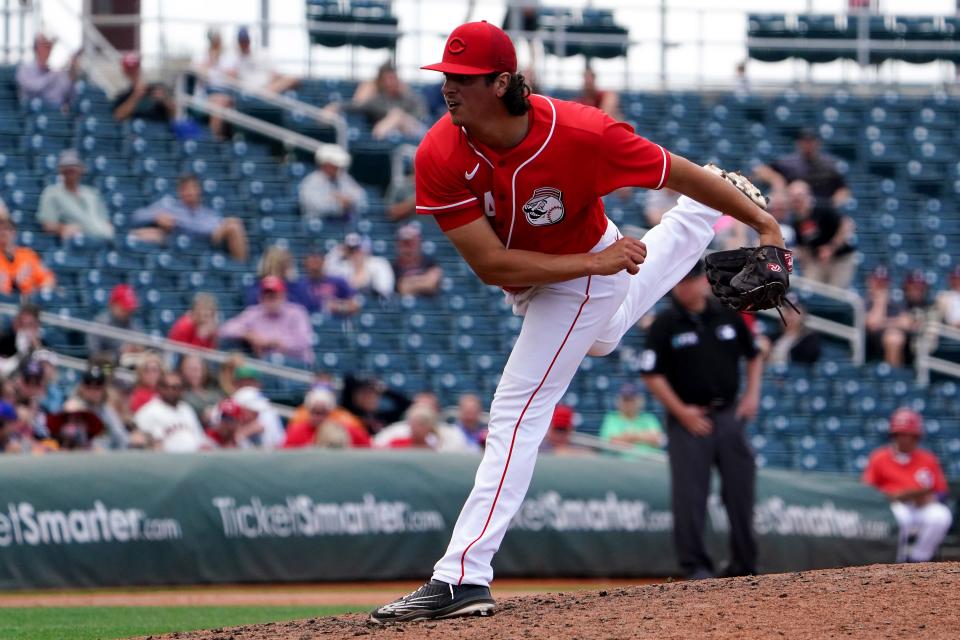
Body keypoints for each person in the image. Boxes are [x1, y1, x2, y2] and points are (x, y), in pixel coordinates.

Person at [370, 21, 782, 623]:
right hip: (571, 265)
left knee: (516, 411)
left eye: (462, 78)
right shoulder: (438, 150)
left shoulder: (583, 131)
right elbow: (488, 264)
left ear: (502, 81)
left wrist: (764, 226)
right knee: (607, 334)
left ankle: (462, 574)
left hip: (582, 277)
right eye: (445, 77)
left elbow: (676, 169)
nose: (448, 88)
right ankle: (693, 221)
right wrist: (598, 260)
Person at [640, 262, 762, 581]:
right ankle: (695, 565)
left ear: (703, 282)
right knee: (690, 496)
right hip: (688, 420)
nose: (685, 287)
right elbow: (651, 374)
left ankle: (744, 564)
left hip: (728, 413)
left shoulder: (726, 314)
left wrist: (751, 396)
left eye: (690, 280)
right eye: (679, 281)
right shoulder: (666, 323)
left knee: (740, 491)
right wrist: (681, 412)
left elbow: (754, 354)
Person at [863, 408, 953, 563]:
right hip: (893, 506)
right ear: (893, 436)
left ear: (916, 437)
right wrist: (890, 497)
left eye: (908, 435)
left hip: (921, 507)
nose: (904, 439)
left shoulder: (928, 459)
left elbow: (942, 491)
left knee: (941, 515)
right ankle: (898, 561)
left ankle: (919, 560)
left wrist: (932, 498)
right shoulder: (879, 457)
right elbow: (866, 490)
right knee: (900, 516)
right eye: (900, 434)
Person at [131, 174, 248, 261]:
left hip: (204, 248)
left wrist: (222, 228)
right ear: (179, 192)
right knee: (145, 234)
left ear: (199, 191)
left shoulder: (209, 213)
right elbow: (136, 216)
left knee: (234, 224)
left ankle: (240, 272)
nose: (189, 192)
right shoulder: (168, 205)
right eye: (185, 189)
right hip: (172, 242)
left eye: (193, 188)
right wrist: (156, 217)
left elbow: (215, 232)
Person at [219, 276, 315, 364]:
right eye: (268, 296)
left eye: (274, 296)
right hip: (265, 366)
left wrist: (272, 342)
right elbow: (225, 329)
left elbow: (303, 341)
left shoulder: (297, 312)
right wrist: (249, 335)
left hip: (296, 366)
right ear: (261, 298)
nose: (271, 300)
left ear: (283, 296)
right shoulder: (254, 312)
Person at [754, 128, 850, 209]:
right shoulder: (789, 163)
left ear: (818, 143)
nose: (808, 144)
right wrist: (777, 181)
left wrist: (832, 206)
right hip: (793, 210)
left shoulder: (829, 165)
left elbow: (843, 190)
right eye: (805, 141)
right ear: (798, 143)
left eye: (811, 141)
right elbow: (760, 170)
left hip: (820, 212)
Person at [787, 180, 856, 289]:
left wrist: (831, 247)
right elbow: (803, 247)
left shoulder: (823, 209)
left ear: (808, 195)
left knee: (836, 294)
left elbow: (846, 225)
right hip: (817, 260)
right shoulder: (795, 220)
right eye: (793, 196)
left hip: (840, 258)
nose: (796, 199)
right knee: (812, 290)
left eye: (799, 195)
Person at [36, 149, 115, 241]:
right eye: (66, 167)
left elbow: (106, 220)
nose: (71, 170)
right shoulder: (52, 193)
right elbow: (48, 225)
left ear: (82, 169)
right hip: (77, 243)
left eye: (74, 166)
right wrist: (63, 228)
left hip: (102, 241)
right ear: (60, 170)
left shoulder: (92, 192)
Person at [866, 268, 929, 368]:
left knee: (894, 336)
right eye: (877, 281)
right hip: (869, 344)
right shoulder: (863, 302)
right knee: (893, 337)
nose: (880, 286)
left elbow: (906, 323)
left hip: (897, 343)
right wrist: (880, 302)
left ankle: (895, 376)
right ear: (870, 281)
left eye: (883, 282)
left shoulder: (895, 303)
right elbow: (872, 324)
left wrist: (883, 323)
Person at [133, 371, 211, 453]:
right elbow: (141, 442)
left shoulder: (186, 408)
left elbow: (200, 438)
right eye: (166, 387)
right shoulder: (148, 411)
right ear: (159, 388)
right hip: (166, 461)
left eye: (176, 387)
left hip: (193, 459)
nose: (171, 391)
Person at [350, 62, 428, 140]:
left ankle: (378, 139)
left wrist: (401, 117)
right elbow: (357, 106)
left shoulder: (409, 97)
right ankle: (378, 143)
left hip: (418, 132)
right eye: (386, 79)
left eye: (392, 78)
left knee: (396, 115)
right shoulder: (378, 100)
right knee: (394, 119)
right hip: (392, 133)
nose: (390, 83)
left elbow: (420, 114)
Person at [220, 26, 299, 95]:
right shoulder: (233, 57)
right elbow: (228, 77)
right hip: (249, 92)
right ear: (238, 41)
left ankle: (267, 93)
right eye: (242, 40)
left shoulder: (262, 54)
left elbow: (274, 74)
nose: (244, 43)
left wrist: (273, 82)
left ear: (250, 40)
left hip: (268, 88)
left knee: (293, 78)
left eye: (246, 40)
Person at [298, 144, 368, 220]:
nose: (338, 168)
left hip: (343, 226)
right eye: (334, 165)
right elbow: (318, 206)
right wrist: (339, 203)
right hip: (318, 226)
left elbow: (360, 196)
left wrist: (343, 199)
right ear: (324, 164)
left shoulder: (343, 178)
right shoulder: (310, 182)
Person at [0, 206, 56, 297]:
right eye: (0, 229)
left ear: (14, 233)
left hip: (27, 304)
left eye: (7, 229)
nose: (3, 233)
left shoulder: (28, 255)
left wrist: (42, 291)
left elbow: (48, 278)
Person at [16, 34, 80, 108]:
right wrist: (53, 75)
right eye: (45, 47)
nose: (48, 51)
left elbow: (68, 95)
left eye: (49, 47)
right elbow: (34, 87)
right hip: (31, 114)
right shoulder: (24, 69)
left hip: (53, 114)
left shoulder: (55, 73)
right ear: (36, 48)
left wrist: (72, 73)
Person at [324, 233, 396, 299]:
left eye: (358, 249)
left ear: (367, 249)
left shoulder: (379, 263)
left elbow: (384, 290)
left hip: (374, 304)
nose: (355, 253)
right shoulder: (344, 267)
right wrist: (337, 251)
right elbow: (324, 272)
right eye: (351, 250)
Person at [242, 245, 313, 310]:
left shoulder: (297, 287)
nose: (281, 267)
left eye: (285, 263)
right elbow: (253, 308)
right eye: (276, 263)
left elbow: (308, 308)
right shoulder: (257, 288)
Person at [598, 383, 663, 454]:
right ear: (618, 401)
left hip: (648, 462)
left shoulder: (648, 418)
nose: (628, 403)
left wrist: (631, 436)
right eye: (625, 400)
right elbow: (611, 443)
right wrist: (643, 436)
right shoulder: (611, 419)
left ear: (639, 401)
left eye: (632, 400)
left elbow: (658, 439)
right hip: (618, 463)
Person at [87, 284, 143, 364]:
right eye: (124, 309)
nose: (128, 312)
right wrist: (119, 353)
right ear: (114, 305)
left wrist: (136, 349)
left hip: (130, 369)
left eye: (129, 309)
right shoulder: (100, 324)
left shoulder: (133, 323)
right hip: (107, 369)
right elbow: (94, 353)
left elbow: (141, 347)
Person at [340, 374, 411, 437]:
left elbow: (407, 405)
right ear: (354, 397)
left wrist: (385, 390)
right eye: (365, 394)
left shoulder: (381, 417)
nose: (370, 398)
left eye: (375, 394)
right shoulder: (348, 418)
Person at [112, 52, 175, 123]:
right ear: (125, 72)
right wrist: (135, 96)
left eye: (135, 69)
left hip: (158, 130)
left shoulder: (157, 88)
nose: (133, 73)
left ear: (139, 69)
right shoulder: (122, 96)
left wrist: (164, 100)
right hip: (133, 132)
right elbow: (118, 116)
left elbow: (173, 113)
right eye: (130, 71)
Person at [195, 28, 234, 140]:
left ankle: (217, 140)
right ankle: (214, 140)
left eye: (217, 38)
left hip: (228, 93)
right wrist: (212, 59)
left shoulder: (229, 56)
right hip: (207, 94)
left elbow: (232, 76)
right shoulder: (202, 55)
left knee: (221, 101)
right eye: (212, 39)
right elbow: (200, 76)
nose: (215, 41)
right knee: (218, 102)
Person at [298, 250, 358, 316]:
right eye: (312, 262)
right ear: (306, 264)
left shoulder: (338, 282)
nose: (315, 266)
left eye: (317, 262)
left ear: (323, 262)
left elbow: (354, 306)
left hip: (334, 321)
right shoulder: (300, 285)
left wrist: (339, 307)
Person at [766, 297, 821, 366]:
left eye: (792, 313)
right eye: (786, 311)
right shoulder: (774, 335)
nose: (788, 316)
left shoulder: (810, 339)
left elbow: (804, 363)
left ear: (802, 316)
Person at [393, 223, 443, 297]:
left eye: (411, 243)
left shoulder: (430, 262)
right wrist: (423, 280)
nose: (407, 248)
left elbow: (430, 284)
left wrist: (409, 282)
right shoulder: (394, 268)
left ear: (419, 243)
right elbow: (403, 288)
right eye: (404, 243)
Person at [178, 354, 223, 425]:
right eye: (190, 369)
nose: (194, 373)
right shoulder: (181, 395)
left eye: (197, 368)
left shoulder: (216, 392)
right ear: (182, 371)